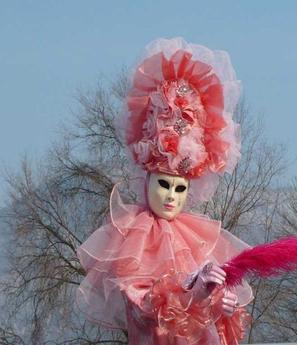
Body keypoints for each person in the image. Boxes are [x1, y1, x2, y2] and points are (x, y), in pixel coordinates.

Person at [76, 37, 253, 345]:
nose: (172, 195)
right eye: (164, 184)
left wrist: (221, 304)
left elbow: (200, 318)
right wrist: (192, 289)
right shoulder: (135, 236)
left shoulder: (197, 239)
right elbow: (143, 307)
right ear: (147, 181)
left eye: (180, 187)